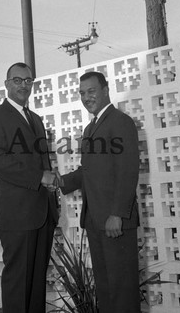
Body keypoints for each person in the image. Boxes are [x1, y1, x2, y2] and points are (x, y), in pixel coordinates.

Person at [57, 71, 140, 313]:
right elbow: (88, 171)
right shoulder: (90, 128)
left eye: (91, 91)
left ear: (105, 90)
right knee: (105, 290)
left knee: (122, 291)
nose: (86, 97)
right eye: (82, 93)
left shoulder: (120, 122)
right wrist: (60, 181)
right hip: (95, 221)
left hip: (115, 221)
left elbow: (128, 171)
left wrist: (117, 214)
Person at [0, 62, 59, 313]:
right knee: (18, 284)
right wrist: (40, 177)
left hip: (43, 214)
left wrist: (51, 197)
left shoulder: (36, 120)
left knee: (37, 284)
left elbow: (43, 163)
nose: (23, 85)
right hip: (17, 216)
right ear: (7, 84)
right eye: (17, 80)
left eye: (28, 81)